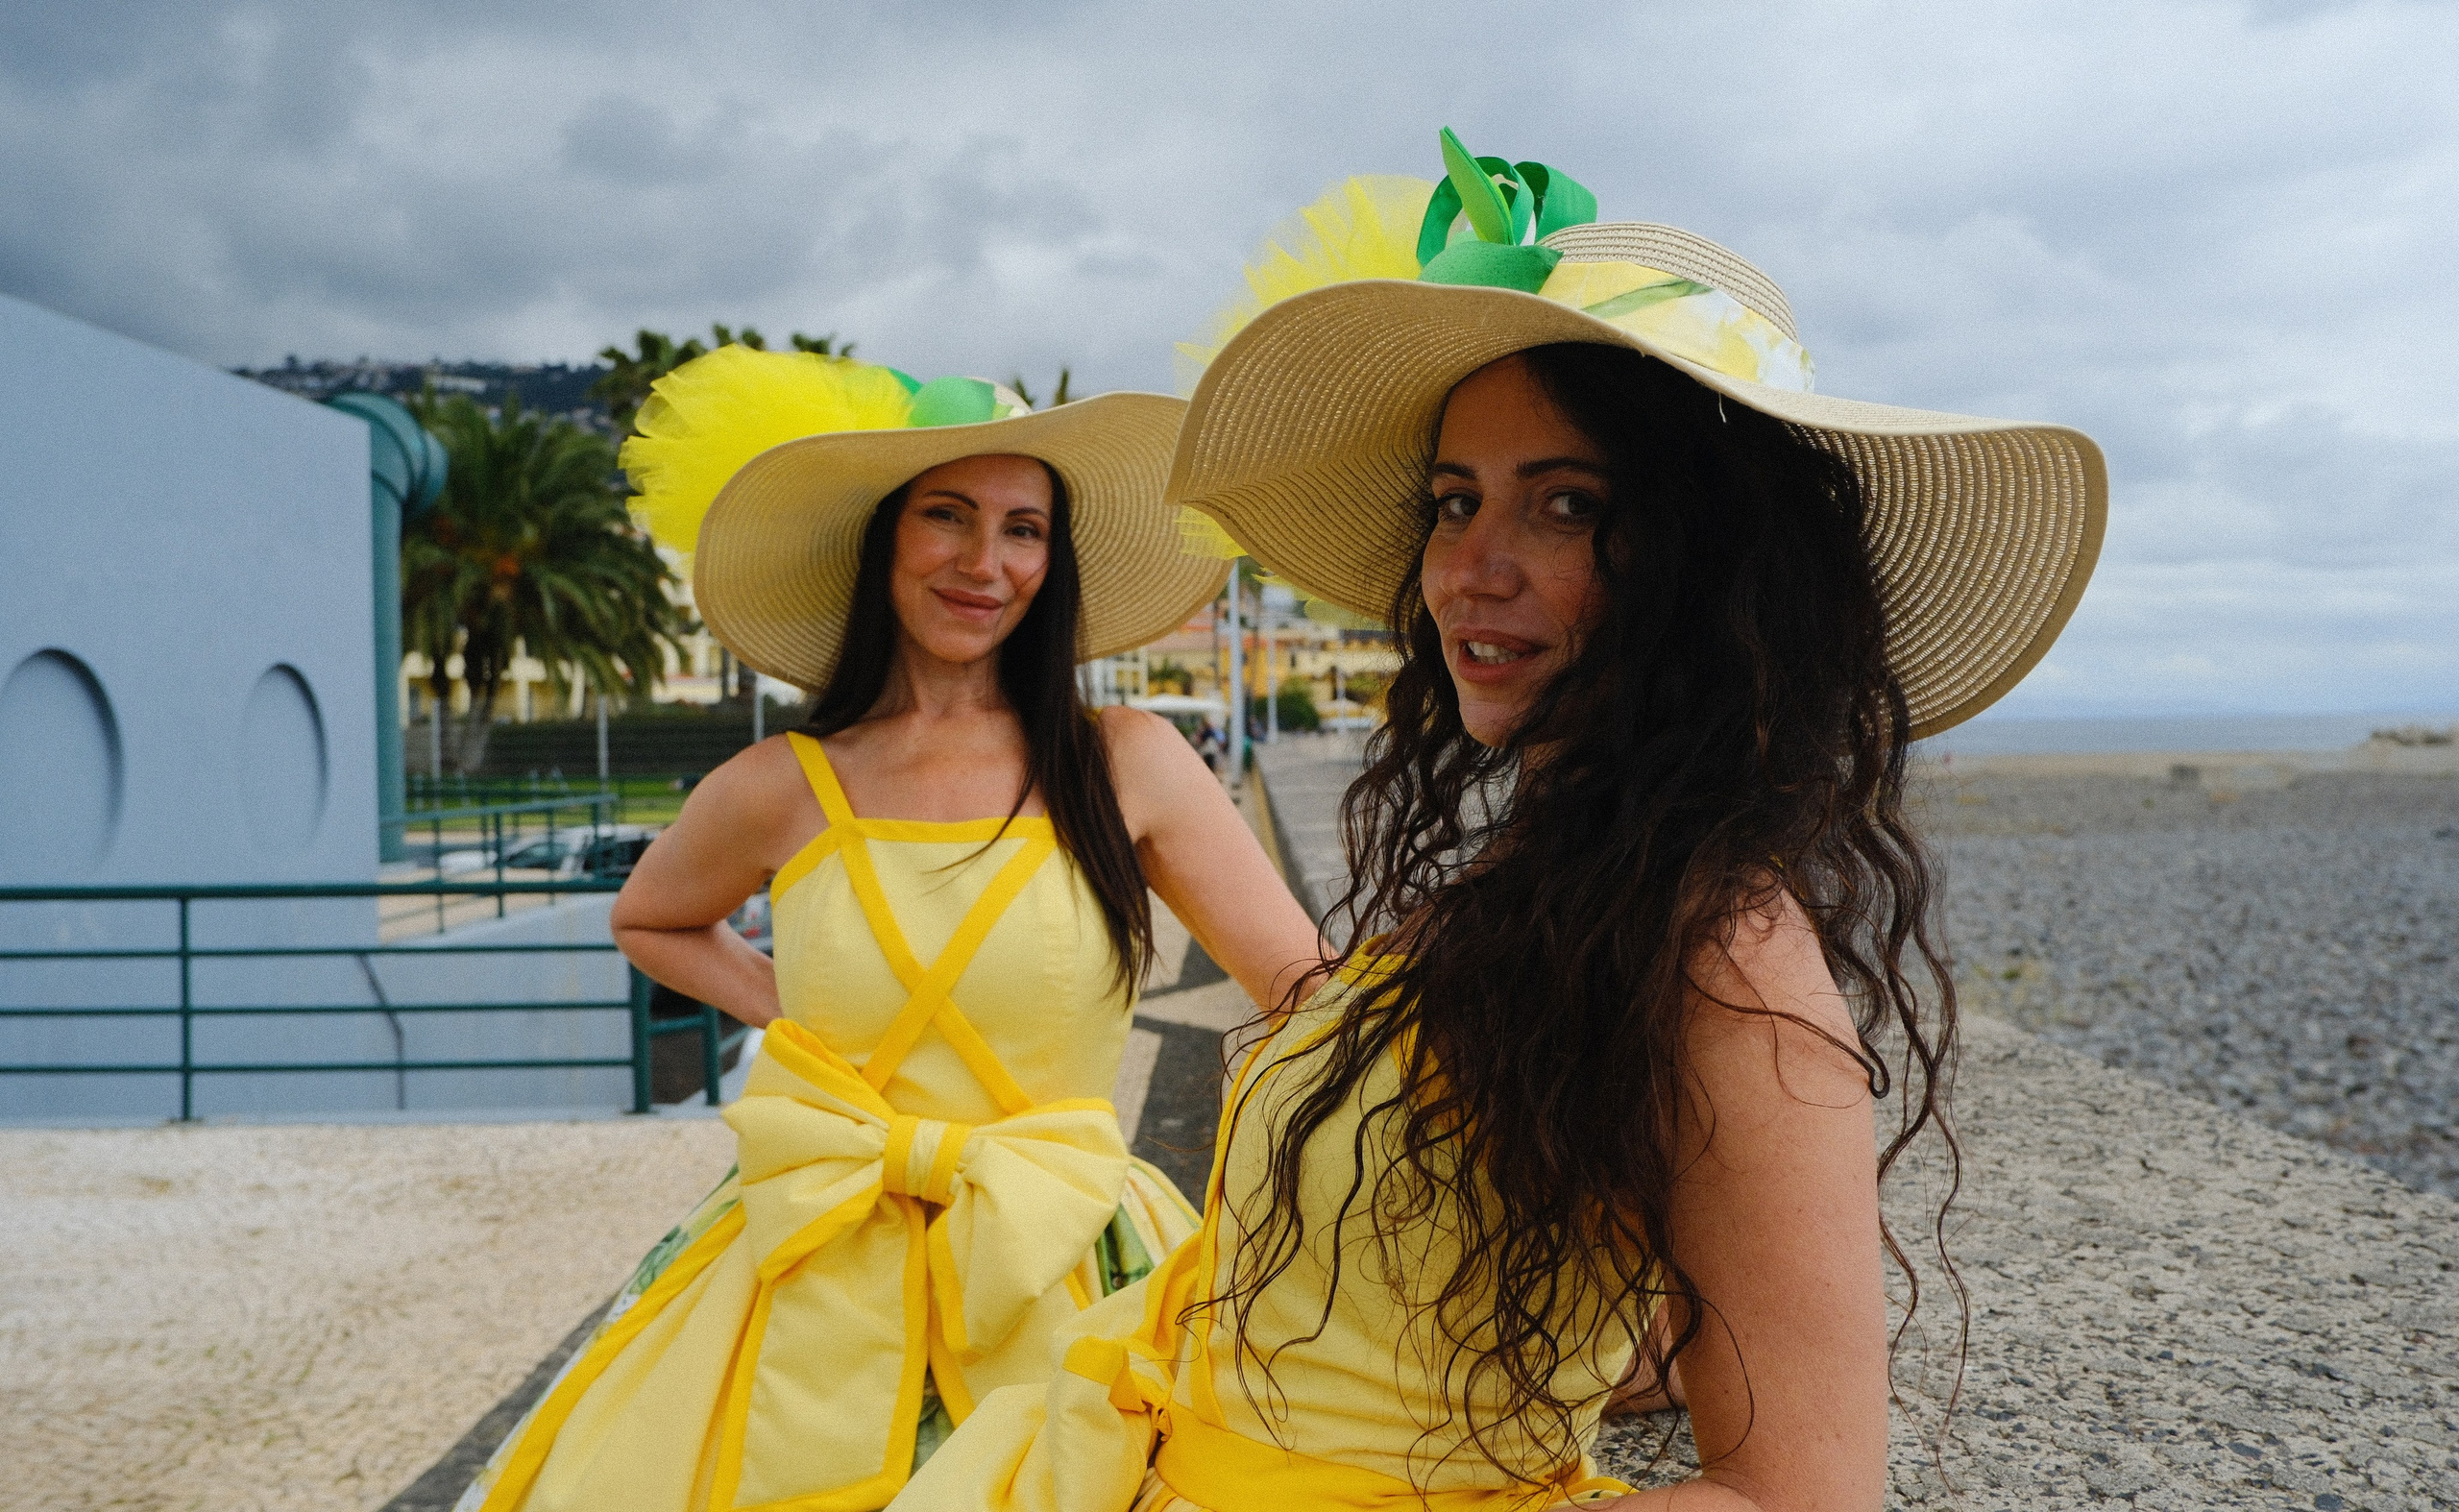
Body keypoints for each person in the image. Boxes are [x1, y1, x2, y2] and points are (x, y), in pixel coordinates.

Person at [892, 130, 2105, 1511]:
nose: (1470, 568)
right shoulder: (1542, 884)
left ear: (1710, 568)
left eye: (1567, 504)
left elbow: (1800, 1492)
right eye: (1455, 501)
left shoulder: (1726, 952)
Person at [457, 345, 1325, 1512]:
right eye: (947, 516)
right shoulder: (781, 782)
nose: (986, 561)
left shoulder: (1128, 760)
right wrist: (798, 1016)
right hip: (806, 1263)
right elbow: (652, 915)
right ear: (883, 541)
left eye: (1023, 528)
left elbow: (1306, 991)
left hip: (1065, 1265)